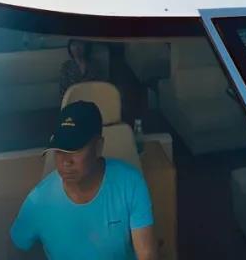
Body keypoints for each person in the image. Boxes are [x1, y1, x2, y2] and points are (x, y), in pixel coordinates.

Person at [10, 101, 159, 260]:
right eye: (59, 150)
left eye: (75, 149)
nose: (66, 161)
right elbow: (16, 248)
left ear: (98, 147)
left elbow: (147, 254)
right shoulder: (38, 200)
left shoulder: (130, 183)